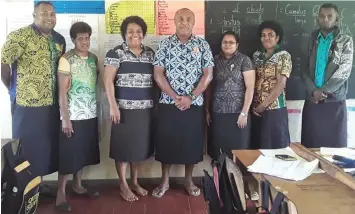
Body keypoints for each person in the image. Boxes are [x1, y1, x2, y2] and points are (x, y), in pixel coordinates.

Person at [1, 1, 65, 186]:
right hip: (26, 105)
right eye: (44, 13)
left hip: (52, 103)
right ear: (34, 16)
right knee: (27, 149)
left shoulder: (59, 40)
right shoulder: (20, 36)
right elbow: (3, 64)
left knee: (46, 148)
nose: (49, 17)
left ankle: (37, 187)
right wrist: (12, 88)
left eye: (52, 14)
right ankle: (24, 189)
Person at [152, 8, 214, 198]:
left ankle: (188, 180)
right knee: (166, 142)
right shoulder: (164, 45)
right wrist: (175, 96)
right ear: (175, 21)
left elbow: (208, 75)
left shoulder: (202, 45)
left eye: (188, 19)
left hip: (194, 104)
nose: (184, 22)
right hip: (168, 103)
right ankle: (165, 181)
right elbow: (158, 74)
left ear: (193, 22)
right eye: (181, 19)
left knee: (192, 143)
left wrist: (191, 98)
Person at [104, 16, 155, 202]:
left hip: (145, 110)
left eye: (139, 31)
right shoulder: (115, 53)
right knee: (123, 149)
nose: (135, 34)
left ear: (144, 33)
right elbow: (107, 81)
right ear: (124, 34)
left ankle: (134, 182)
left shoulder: (150, 53)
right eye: (131, 31)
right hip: (123, 110)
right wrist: (113, 106)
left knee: (138, 149)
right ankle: (123, 185)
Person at [55, 22, 100, 212]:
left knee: (82, 153)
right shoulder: (66, 59)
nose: (84, 41)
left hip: (90, 113)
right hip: (72, 115)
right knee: (68, 156)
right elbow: (62, 92)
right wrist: (65, 118)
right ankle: (60, 194)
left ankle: (78, 185)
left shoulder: (94, 59)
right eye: (80, 38)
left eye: (87, 38)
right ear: (73, 40)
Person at [301, 3, 353, 148]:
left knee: (334, 147)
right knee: (311, 145)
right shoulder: (311, 39)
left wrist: (323, 91)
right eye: (322, 16)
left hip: (334, 101)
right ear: (318, 18)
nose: (325, 19)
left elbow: (345, 69)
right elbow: (303, 69)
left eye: (329, 16)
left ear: (336, 19)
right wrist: (313, 91)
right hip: (312, 100)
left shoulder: (345, 40)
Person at [206, 31, 255, 160]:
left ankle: (236, 180)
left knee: (238, 153)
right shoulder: (214, 60)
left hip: (238, 115)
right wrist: (207, 110)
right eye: (225, 42)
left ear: (237, 45)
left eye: (231, 42)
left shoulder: (244, 60)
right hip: (219, 113)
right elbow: (210, 86)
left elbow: (250, 88)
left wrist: (244, 113)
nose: (228, 45)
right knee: (218, 153)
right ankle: (219, 180)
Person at [250, 20, 292, 149]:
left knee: (275, 148)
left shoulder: (283, 56)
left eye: (270, 35)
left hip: (274, 109)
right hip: (256, 110)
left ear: (277, 37)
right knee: (258, 148)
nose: (266, 38)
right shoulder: (257, 56)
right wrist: (255, 107)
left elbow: (281, 84)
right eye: (263, 35)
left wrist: (263, 106)